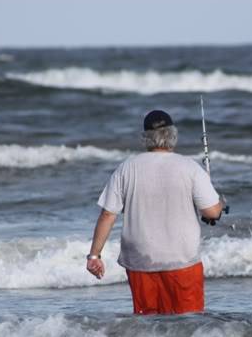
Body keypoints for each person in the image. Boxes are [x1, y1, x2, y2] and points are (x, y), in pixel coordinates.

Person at [86, 110, 226, 315]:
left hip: (140, 260)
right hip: (181, 259)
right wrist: (220, 204)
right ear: (173, 135)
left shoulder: (126, 168)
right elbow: (212, 213)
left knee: (146, 323)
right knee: (188, 323)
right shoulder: (190, 167)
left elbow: (107, 215)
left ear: (145, 138)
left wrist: (94, 255)